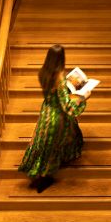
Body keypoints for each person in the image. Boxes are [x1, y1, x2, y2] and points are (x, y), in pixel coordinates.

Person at [18, 44, 89, 193]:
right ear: (61, 59)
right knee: (51, 147)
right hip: (57, 117)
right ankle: (44, 177)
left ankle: (40, 171)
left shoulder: (43, 73)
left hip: (46, 111)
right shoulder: (59, 79)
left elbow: (52, 94)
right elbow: (68, 107)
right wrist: (82, 97)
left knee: (43, 144)